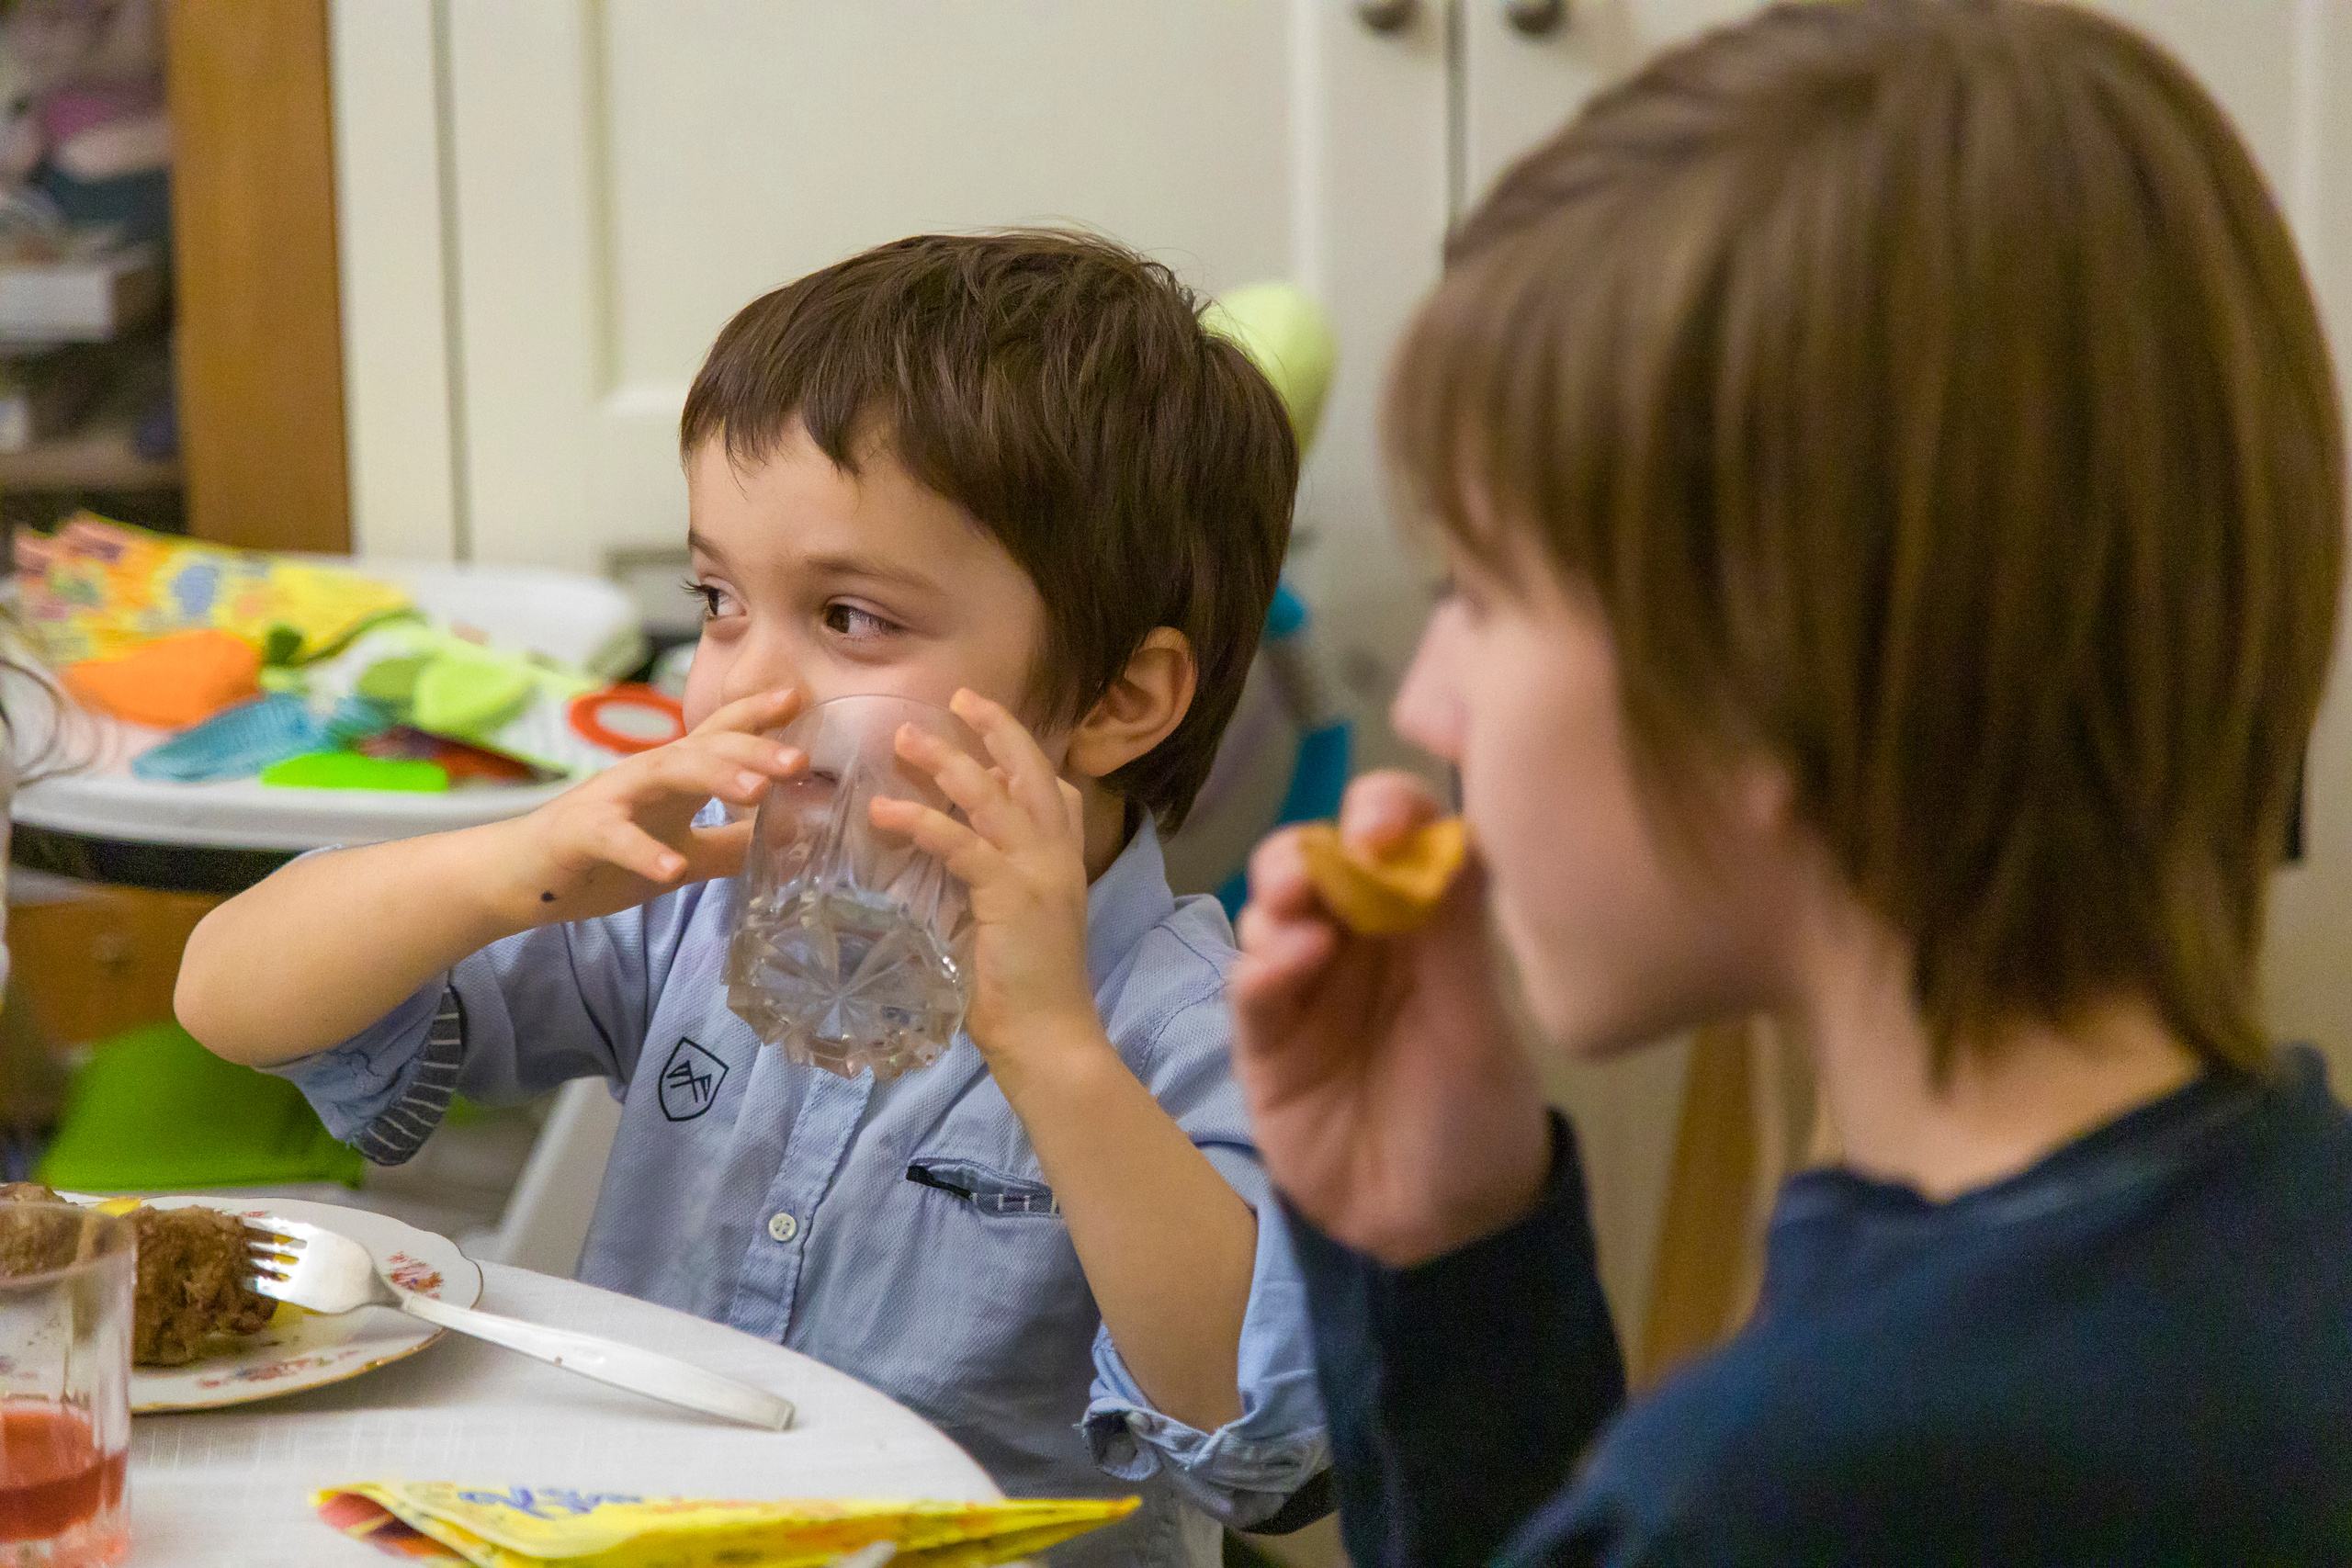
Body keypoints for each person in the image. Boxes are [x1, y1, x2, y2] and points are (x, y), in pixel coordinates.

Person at [1229, 1, 2350, 1562]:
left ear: (1761, 681)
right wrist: (1451, 1262)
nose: (1426, 703)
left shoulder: (1785, 1491)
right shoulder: (2279, 1239)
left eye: (1477, 594)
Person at [176, 231, 1329, 1566]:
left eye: (850, 619)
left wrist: (1057, 1051)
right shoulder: (692, 902)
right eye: (720, 601)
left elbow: (1260, 1440)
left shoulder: (1199, 1024)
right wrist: (508, 868)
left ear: (1121, 700)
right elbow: (229, 998)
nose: (744, 686)